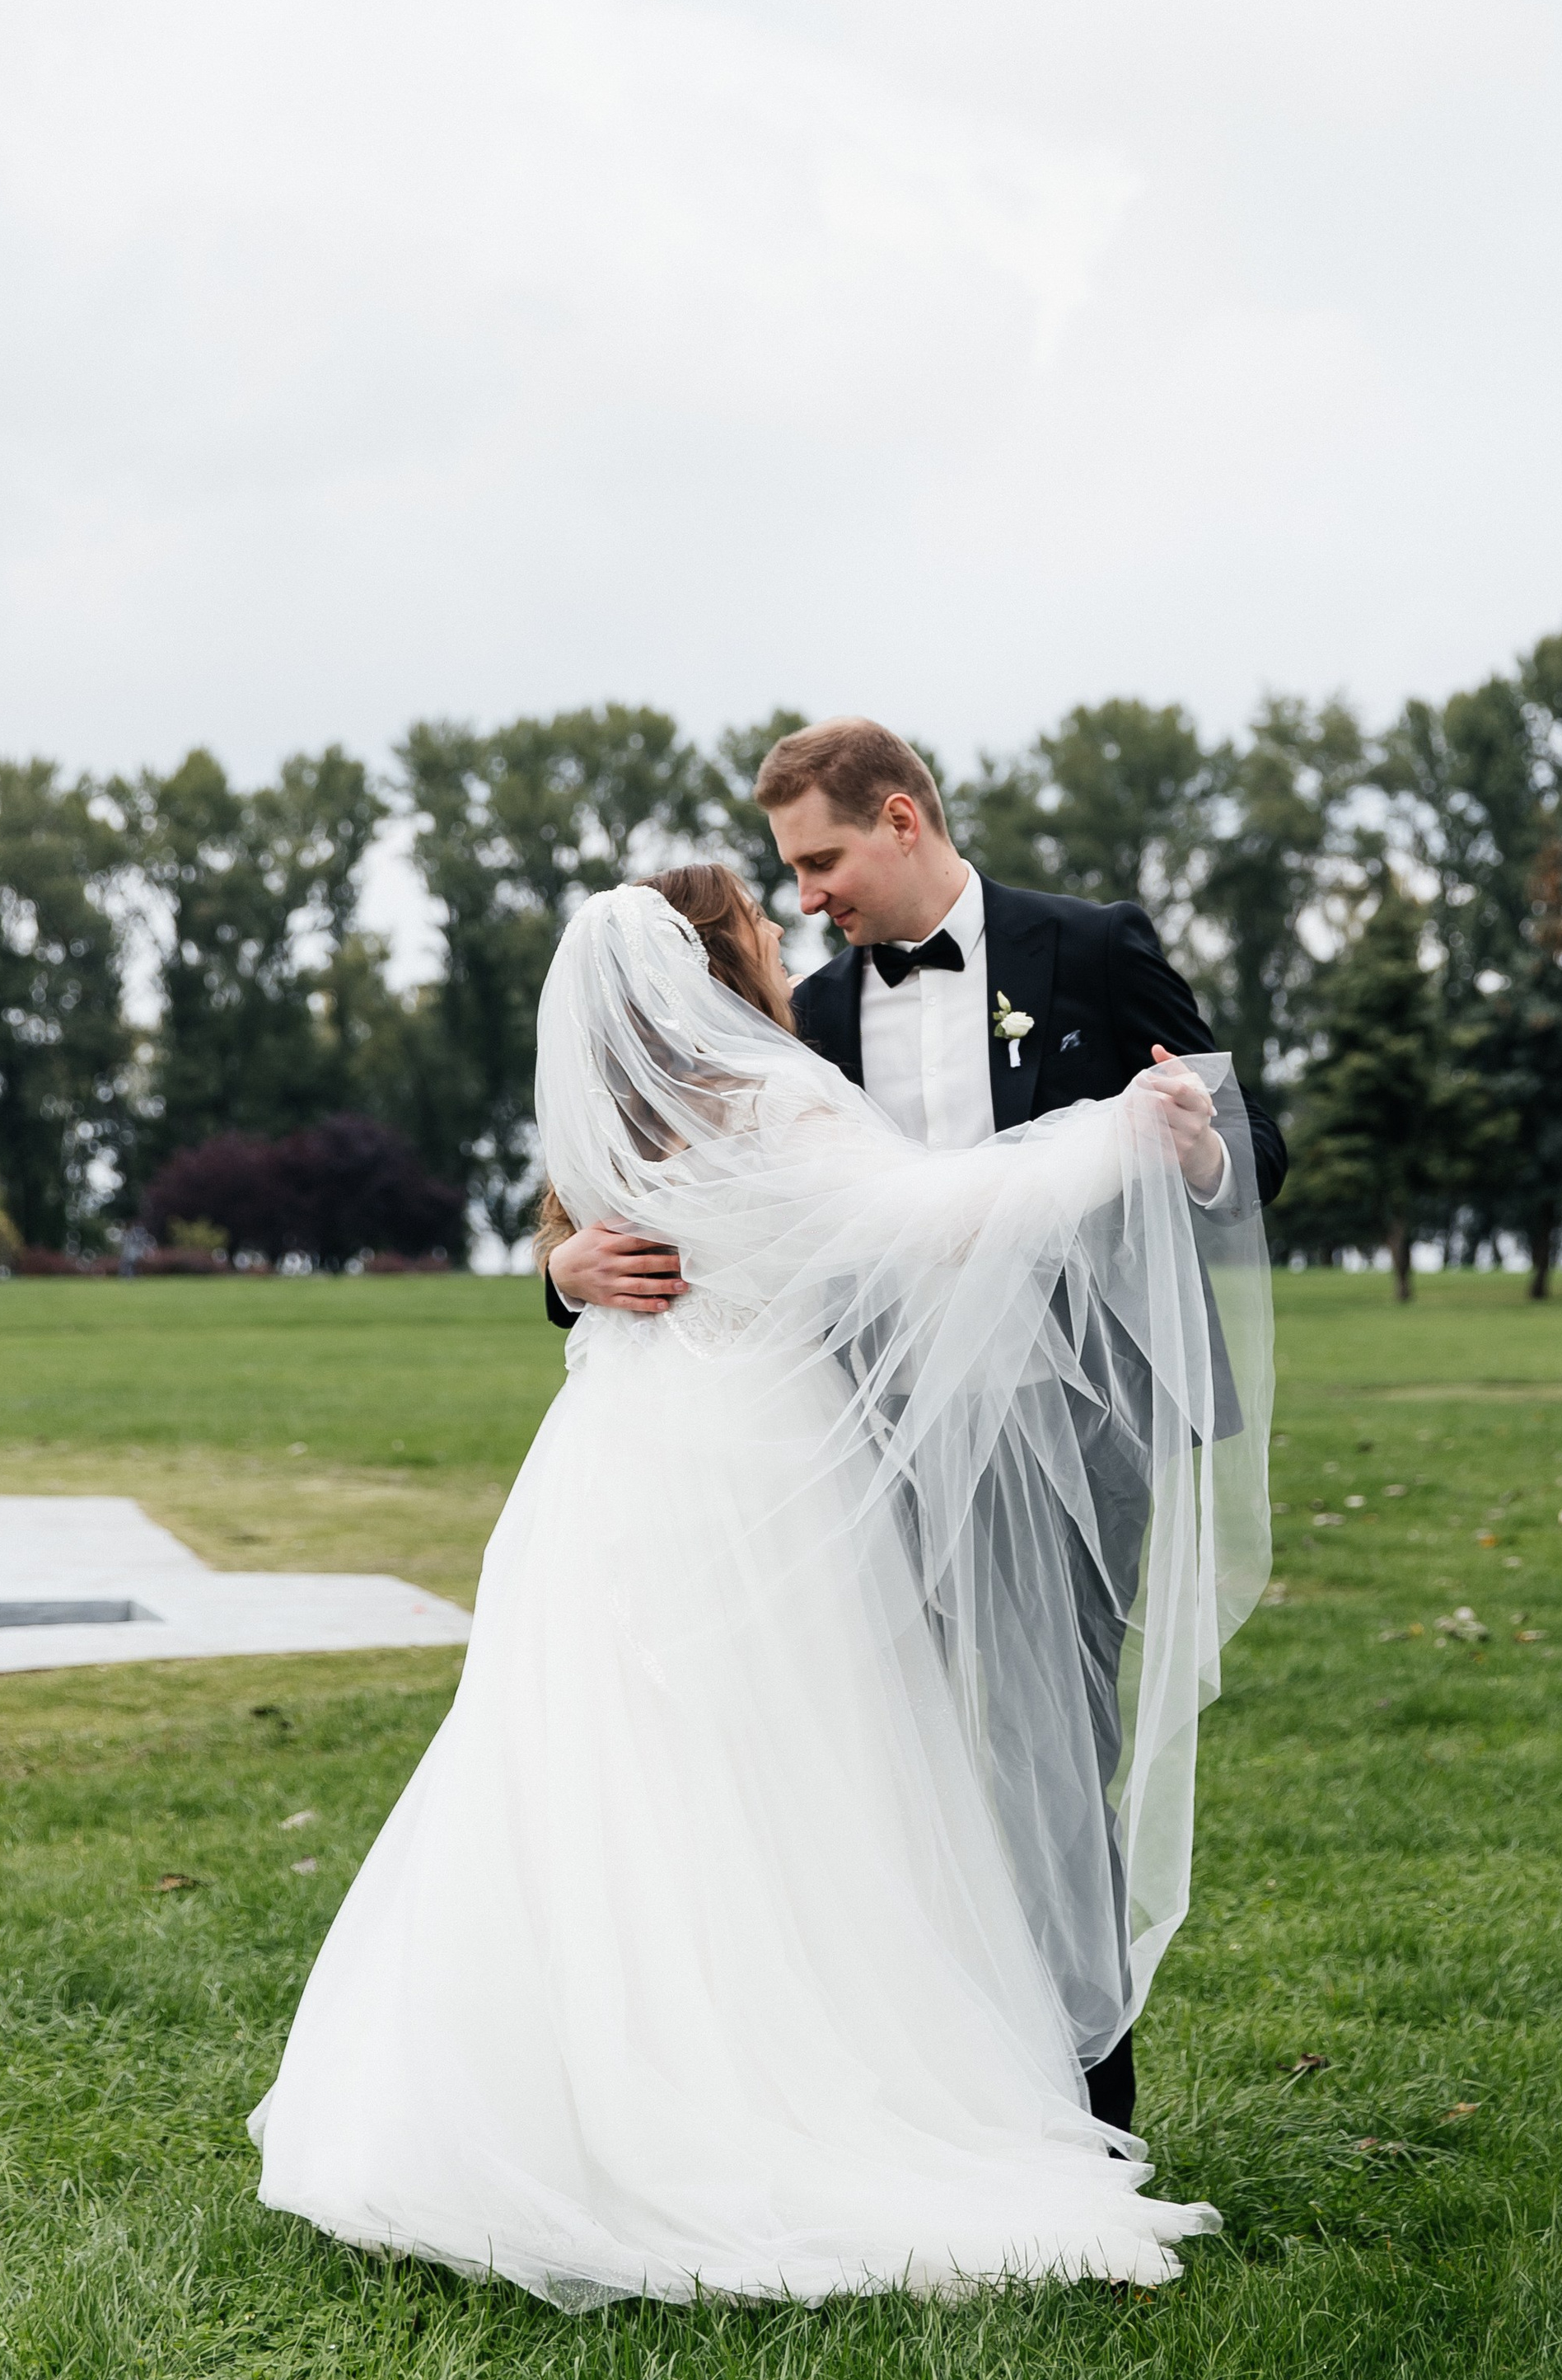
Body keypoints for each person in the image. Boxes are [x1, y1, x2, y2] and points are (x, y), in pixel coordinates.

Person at [252, 864, 1274, 2305]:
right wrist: (1117, 1136)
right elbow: (928, 1216)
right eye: (769, 920)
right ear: (725, 962)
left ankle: (565, 2104)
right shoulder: (775, 1089)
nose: (802, 932)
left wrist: (559, 1257)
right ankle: (789, 2103)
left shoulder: (615, 1106)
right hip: (765, 1462)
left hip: (616, 1465)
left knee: (607, 1777)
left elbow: (606, 1224)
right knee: (810, 1775)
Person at [545, 718, 1288, 2134]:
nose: (810, 897)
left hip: (1076, 1421)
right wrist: (560, 1272)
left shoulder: (1092, 945)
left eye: (821, 860)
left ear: (900, 818)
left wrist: (1192, 1145)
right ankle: (924, 2079)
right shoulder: (800, 1023)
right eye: (790, 878)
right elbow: (687, 1195)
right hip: (860, 1443)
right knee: (890, 1759)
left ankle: (1087, 2103)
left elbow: (1253, 1141)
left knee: (1054, 1742)